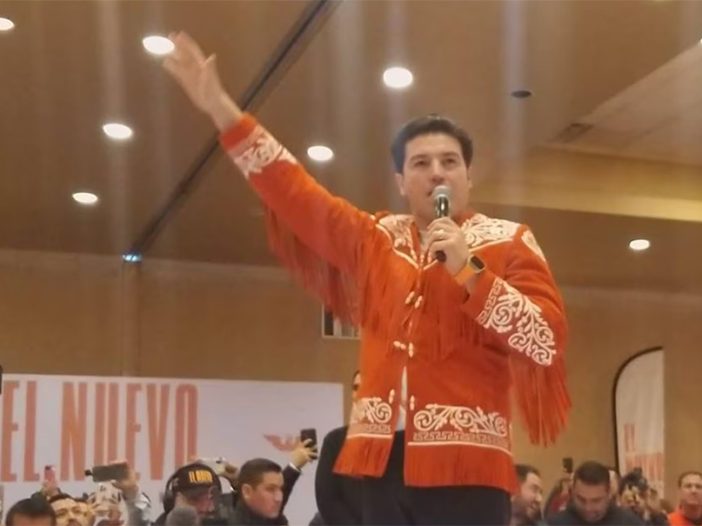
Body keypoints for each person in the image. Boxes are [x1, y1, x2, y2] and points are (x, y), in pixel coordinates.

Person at [164, 31, 569, 525]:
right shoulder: (377, 238)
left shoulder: (508, 240)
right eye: (420, 163)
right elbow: (298, 194)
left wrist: (471, 271)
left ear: (469, 175)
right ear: (401, 181)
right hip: (379, 462)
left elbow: (545, 341)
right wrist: (222, 110)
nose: (436, 173)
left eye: (450, 162)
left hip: (467, 462)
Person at [315, 371, 363, 525]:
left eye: (366, 387)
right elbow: (326, 497)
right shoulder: (335, 441)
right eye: (355, 388)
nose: (359, 394)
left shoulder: (397, 441)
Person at [548, 461, 643, 525]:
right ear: (572, 492)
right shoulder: (554, 523)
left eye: (596, 501)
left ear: (609, 494)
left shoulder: (629, 523)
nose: (588, 508)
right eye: (581, 499)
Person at [230, 459, 286, 525]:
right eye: (270, 489)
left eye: (281, 489)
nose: (279, 498)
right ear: (247, 491)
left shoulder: (276, 520)